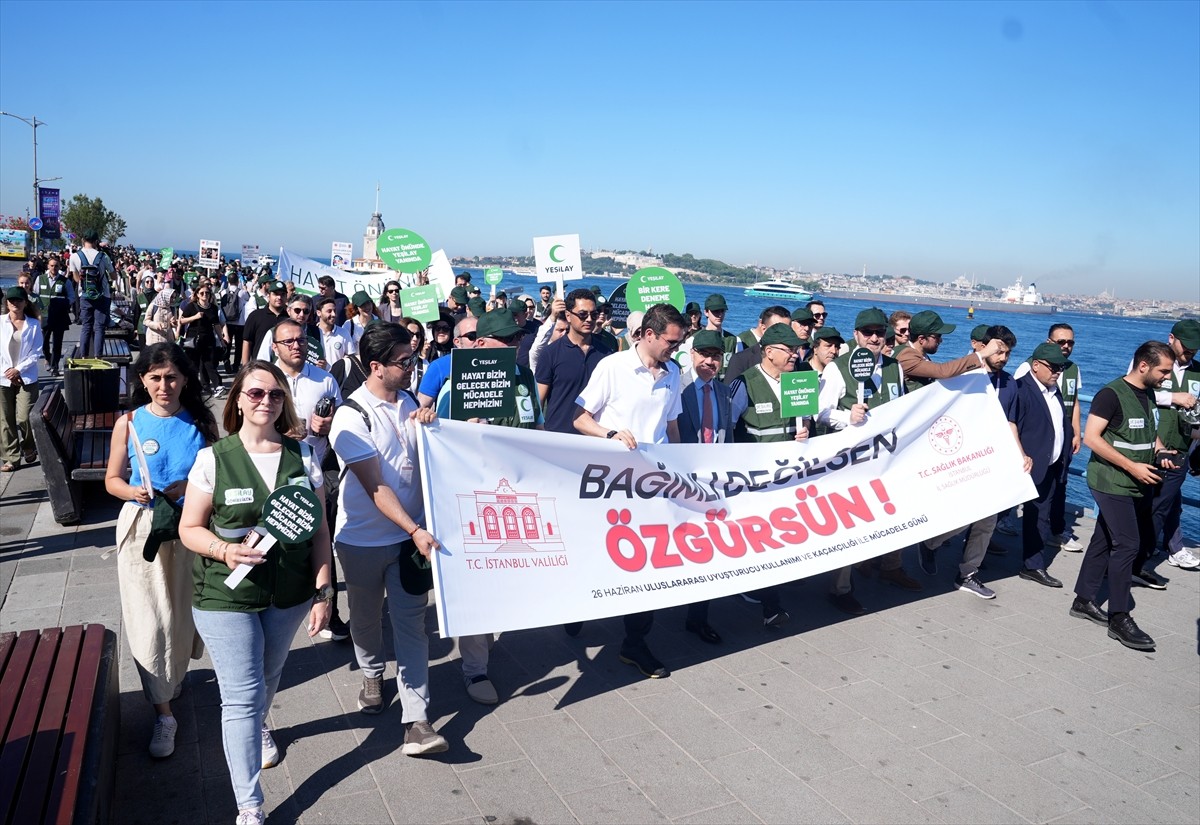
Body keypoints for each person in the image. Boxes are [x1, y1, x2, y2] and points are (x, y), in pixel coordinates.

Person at [179, 361, 333, 825]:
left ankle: (258, 725)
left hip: (289, 593)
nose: (266, 401)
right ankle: (249, 804)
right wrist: (224, 550)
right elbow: (189, 528)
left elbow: (320, 530)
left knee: (268, 675)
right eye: (256, 393)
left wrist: (325, 591)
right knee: (242, 696)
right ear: (238, 401)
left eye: (275, 394)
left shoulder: (302, 455)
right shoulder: (214, 458)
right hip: (226, 596)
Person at [328, 323, 449, 755]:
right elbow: (375, 487)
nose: (412, 366)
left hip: (409, 541)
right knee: (364, 617)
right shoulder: (351, 415)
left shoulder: (412, 401)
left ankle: (417, 720)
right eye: (404, 361)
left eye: (413, 357)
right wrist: (415, 529)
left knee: (412, 626)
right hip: (362, 539)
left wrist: (433, 428)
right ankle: (372, 672)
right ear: (376, 366)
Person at [104, 343, 217, 758]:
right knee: (148, 619)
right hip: (142, 530)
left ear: (185, 380)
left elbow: (218, 473)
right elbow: (112, 479)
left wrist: (191, 486)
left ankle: (172, 676)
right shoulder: (129, 423)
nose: (164, 386)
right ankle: (163, 713)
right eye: (155, 378)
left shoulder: (201, 422)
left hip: (190, 529)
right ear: (142, 380)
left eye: (171, 377)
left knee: (183, 614)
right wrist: (131, 491)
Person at [574, 303, 686, 678]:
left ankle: (634, 643)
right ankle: (579, 604)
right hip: (611, 482)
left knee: (647, 563)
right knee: (600, 553)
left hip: (653, 485)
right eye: (671, 342)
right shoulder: (613, 367)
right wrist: (610, 434)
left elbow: (671, 426)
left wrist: (680, 469)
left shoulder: (674, 373)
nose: (676, 348)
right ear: (649, 335)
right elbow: (579, 418)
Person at [1070, 341, 1177, 651]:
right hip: (1111, 481)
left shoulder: (1149, 394)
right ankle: (1119, 617)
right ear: (1144, 366)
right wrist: (1132, 466)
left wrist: (1160, 451)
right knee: (1128, 543)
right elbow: (1092, 438)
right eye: (1164, 371)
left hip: (1136, 481)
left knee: (1104, 538)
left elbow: (1148, 432)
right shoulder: (1110, 394)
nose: (1167, 377)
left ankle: (1083, 600)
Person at [817, 308, 921, 614]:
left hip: (886, 457)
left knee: (892, 512)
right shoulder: (837, 369)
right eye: (868, 332)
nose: (874, 338)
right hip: (851, 460)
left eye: (879, 332)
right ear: (856, 335)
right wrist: (846, 417)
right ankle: (841, 588)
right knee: (851, 523)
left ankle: (887, 566)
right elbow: (820, 412)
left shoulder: (893, 367)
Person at [269, 318, 349, 641]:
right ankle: (275, 612)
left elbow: (341, 420)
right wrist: (281, 431)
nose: (296, 346)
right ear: (275, 347)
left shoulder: (324, 379)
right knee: (274, 541)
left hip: (315, 469)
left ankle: (330, 613)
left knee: (321, 540)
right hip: (271, 470)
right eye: (288, 341)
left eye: (301, 340)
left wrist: (329, 425)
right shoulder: (264, 377)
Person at [1007, 323, 1086, 550]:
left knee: (1057, 487)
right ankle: (1002, 520)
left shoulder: (1071, 369)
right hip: (1036, 440)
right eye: (1061, 342)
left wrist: (1076, 432)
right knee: (1024, 489)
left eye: (1070, 342)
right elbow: (1018, 409)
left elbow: (1074, 400)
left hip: (1060, 438)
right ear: (1049, 341)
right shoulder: (1028, 369)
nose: (1066, 346)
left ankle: (1054, 532)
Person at [1007, 342, 1075, 589]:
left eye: (1061, 368)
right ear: (1036, 365)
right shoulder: (1021, 389)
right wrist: (1021, 455)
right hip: (1027, 465)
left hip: (1051, 464)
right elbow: (1011, 425)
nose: (1057, 372)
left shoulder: (1053, 390)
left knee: (1040, 516)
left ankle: (1033, 565)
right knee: (995, 514)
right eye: (1053, 367)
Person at [1146, 320, 1200, 569]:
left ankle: (1170, 547)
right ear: (1171, 339)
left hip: (1181, 448)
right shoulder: (1152, 360)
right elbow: (1135, 391)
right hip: (1151, 444)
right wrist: (1173, 397)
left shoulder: (1198, 372)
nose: (1191, 350)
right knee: (1151, 502)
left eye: (1195, 346)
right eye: (1186, 345)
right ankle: (1142, 552)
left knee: (1167, 500)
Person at [535, 288, 611, 436]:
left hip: (594, 438)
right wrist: (540, 433)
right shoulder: (550, 353)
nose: (589, 319)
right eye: (583, 314)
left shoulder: (607, 355)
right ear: (568, 316)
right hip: (557, 437)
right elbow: (538, 402)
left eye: (593, 314)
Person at [1, 287, 42, 472]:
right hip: (2, 377)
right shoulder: (1, 322)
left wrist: (18, 370)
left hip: (26, 376)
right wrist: (7, 371)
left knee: (25, 417)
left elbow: (36, 352)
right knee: (5, 420)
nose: (14, 303)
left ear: (25, 302)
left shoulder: (33, 324)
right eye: (11, 300)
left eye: (18, 300)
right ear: (6, 302)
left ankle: (29, 446)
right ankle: (11, 458)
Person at [68, 233, 114, 358]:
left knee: (86, 327)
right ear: (96, 241)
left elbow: (76, 279)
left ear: (83, 240)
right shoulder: (103, 256)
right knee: (99, 327)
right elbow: (113, 276)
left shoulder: (75, 256)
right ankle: (98, 356)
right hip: (102, 295)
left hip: (85, 295)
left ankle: (84, 355)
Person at [179, 283, 228, 395]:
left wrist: (221, 340)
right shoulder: (191, 306)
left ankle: (217, 387)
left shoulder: (213, 308)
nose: (205, 295)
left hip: (208, 340)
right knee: (194, 365)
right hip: (194, 341)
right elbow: (181, 321)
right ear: (197, 294)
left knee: (210, 364)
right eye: (202, 293)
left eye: (207, 293)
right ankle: (191, 388)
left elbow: (216, 325)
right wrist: (195, 317)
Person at [725, 305, 791, 383]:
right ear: (763, 329)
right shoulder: (741, 360)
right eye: (778, 330)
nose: (784, 334)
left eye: (787, 330)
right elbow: (731, 389)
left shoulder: (792, 360)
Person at [41, 257, 75, 376]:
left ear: (60, 267)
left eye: (56, 266)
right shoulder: (40, 279)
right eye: (51, 265)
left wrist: (64, 303)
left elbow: (72, 297)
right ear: (48, 266)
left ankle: (54, 367)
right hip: (45, 316)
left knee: (57, 343)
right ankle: (48, 357)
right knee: (43, 343)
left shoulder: (65, 281)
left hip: (60, 316)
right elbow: (35, 295)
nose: (54, 268)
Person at [241, 280, 288, 366]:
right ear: (268, 296)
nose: (279, 297)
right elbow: (247, 342)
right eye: (275, 294)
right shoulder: (256, 316)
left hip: (284, 368)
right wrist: (246, 367)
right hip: (260, 366)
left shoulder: (289, 319)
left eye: (282, 294)